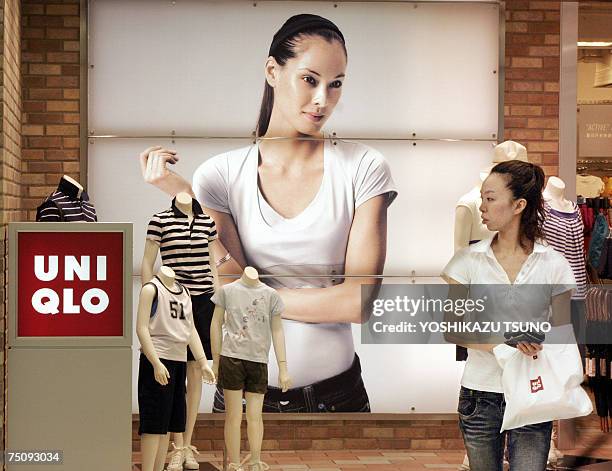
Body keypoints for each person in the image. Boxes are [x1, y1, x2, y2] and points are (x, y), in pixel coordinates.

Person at [139, 13, 397, 412]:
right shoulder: (220, 175)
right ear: (273, 71)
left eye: (336, 84)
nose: (322, 100)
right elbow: (223, 290)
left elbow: (358, 303)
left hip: (337, 399)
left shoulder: (363, 167)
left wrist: (255, 293)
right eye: (309, 79)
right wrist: (187, 196)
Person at [441, 160, 576, 471]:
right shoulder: (467, 261)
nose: (481, 207)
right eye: (482, 198)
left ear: (518, 205)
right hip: (481, 394)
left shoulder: (554, 264)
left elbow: (563, 331)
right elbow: (452, 329)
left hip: (533, 391)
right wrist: (506, 340)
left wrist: (541, 337)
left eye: (490, 198)